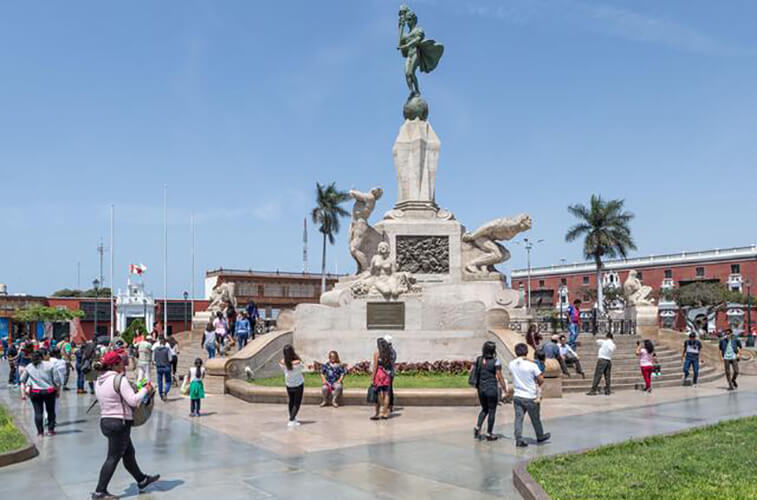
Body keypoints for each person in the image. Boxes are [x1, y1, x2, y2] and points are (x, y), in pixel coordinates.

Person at [92, 349, 159, 500]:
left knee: (129, 453)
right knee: (113, 457)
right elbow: (133, 401)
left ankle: (142, 480)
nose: (124, 365)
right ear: (115, 364)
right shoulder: (119, 380)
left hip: (106, 421)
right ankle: (99, 491)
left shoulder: (99, 379)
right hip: (119, 423)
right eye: (121, 362)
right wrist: (145, 390)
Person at [509, 343, 550, 447]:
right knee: (535, 418)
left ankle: (518, 438)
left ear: (516, 352)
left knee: (518, 418)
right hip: (530, 396)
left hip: (517, 395)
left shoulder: (511, 364)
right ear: (527, 352)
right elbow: (541, 379)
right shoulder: (532, 365)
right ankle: (540, 436)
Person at [471, 341, 510, 441]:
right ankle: (489, 433)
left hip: (481, 388)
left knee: (484, 409)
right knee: (492, 410)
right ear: (493, 350)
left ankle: (478, 427)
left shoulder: (479, 359)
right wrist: (505, 388)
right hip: (491, 388)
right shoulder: (496, 361)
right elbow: (500, 376)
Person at [21, 350, 62, 437]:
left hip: (35, 392)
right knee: (50, 411)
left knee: (38, 412)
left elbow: (22, 379)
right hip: (49, 391)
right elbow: (57, 380)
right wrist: (58, 389)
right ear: (42, 356)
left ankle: (40, 432)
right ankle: (50, 430)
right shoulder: (50, 365)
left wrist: (26, 389)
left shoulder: (29, 366)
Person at [279, 344, 304, 427]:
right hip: (298, 384)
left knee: (291, 401)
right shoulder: (297, 363)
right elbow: (301, 365)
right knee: (296, 403)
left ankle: (293, 417)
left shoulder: (283, 362)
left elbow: (284, 362)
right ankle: (291, 420)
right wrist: (296, 356)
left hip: (289, 384)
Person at [370, 338, 393, 420]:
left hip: (379, 375)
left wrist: (372, 378)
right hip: (387, 375)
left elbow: (375, 366)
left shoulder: (377, 354)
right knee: (387, 394)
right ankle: (385, 412)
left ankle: (380, 412)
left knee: (380, 393)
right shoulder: (389, 353)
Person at [152, 337, 173, 401]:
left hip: (159, 367)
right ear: (165, 343)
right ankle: (165, 392)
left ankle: (160, 394)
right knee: (168, 381)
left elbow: (153, 360)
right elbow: (170, 359)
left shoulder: (155, 349)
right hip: (166, 366)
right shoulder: (167, 349)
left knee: (159, 381)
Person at [385, 335, 397, 412]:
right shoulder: (392, 351)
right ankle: (389, 405)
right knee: (389, 389)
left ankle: (389, 405)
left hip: (388, 372)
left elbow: (390, 362)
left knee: (388, 389)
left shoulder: (390, 351)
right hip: (390, 372)